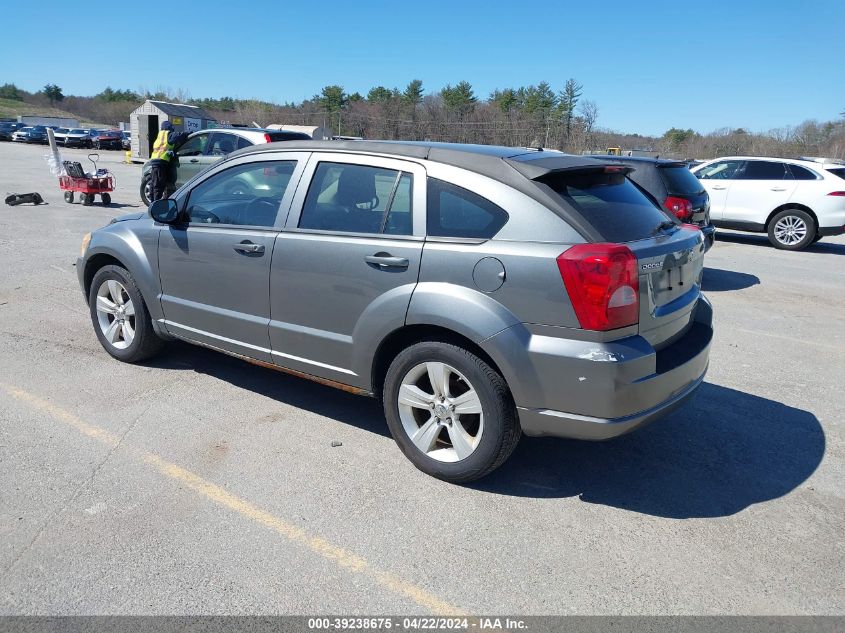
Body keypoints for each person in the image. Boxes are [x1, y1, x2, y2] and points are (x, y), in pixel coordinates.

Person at [148, 121, 189, 201]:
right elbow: (179, 135)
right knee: (159, 184)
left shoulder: (160, 135)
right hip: (160, 162)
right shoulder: (168, 134)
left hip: (155, 162)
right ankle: (155, 204)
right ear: (169, 128)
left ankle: (152, 201)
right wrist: (188, 133)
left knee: (154, 183)